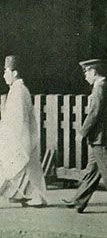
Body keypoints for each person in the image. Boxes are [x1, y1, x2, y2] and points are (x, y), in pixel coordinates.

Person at [62, 59, 107, 216]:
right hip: (103, 137)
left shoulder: (99, 88)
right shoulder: (106, 87)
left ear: (93, 72)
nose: (85, 76)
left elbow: (94, 113)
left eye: (86, 72)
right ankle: (79, 201)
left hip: (100, 138)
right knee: (92, 172)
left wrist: (82, 132)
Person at [0, 55, 47, 207]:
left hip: (20, 136)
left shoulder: (19, 91)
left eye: (6, 71)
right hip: (22, 136)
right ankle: (35, 197)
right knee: (29, 169)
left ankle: (35, 197)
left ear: (14, 73)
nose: (4, 75)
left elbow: (19, 119)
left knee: (14, 167)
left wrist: (9, 136)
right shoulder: (17, 89)